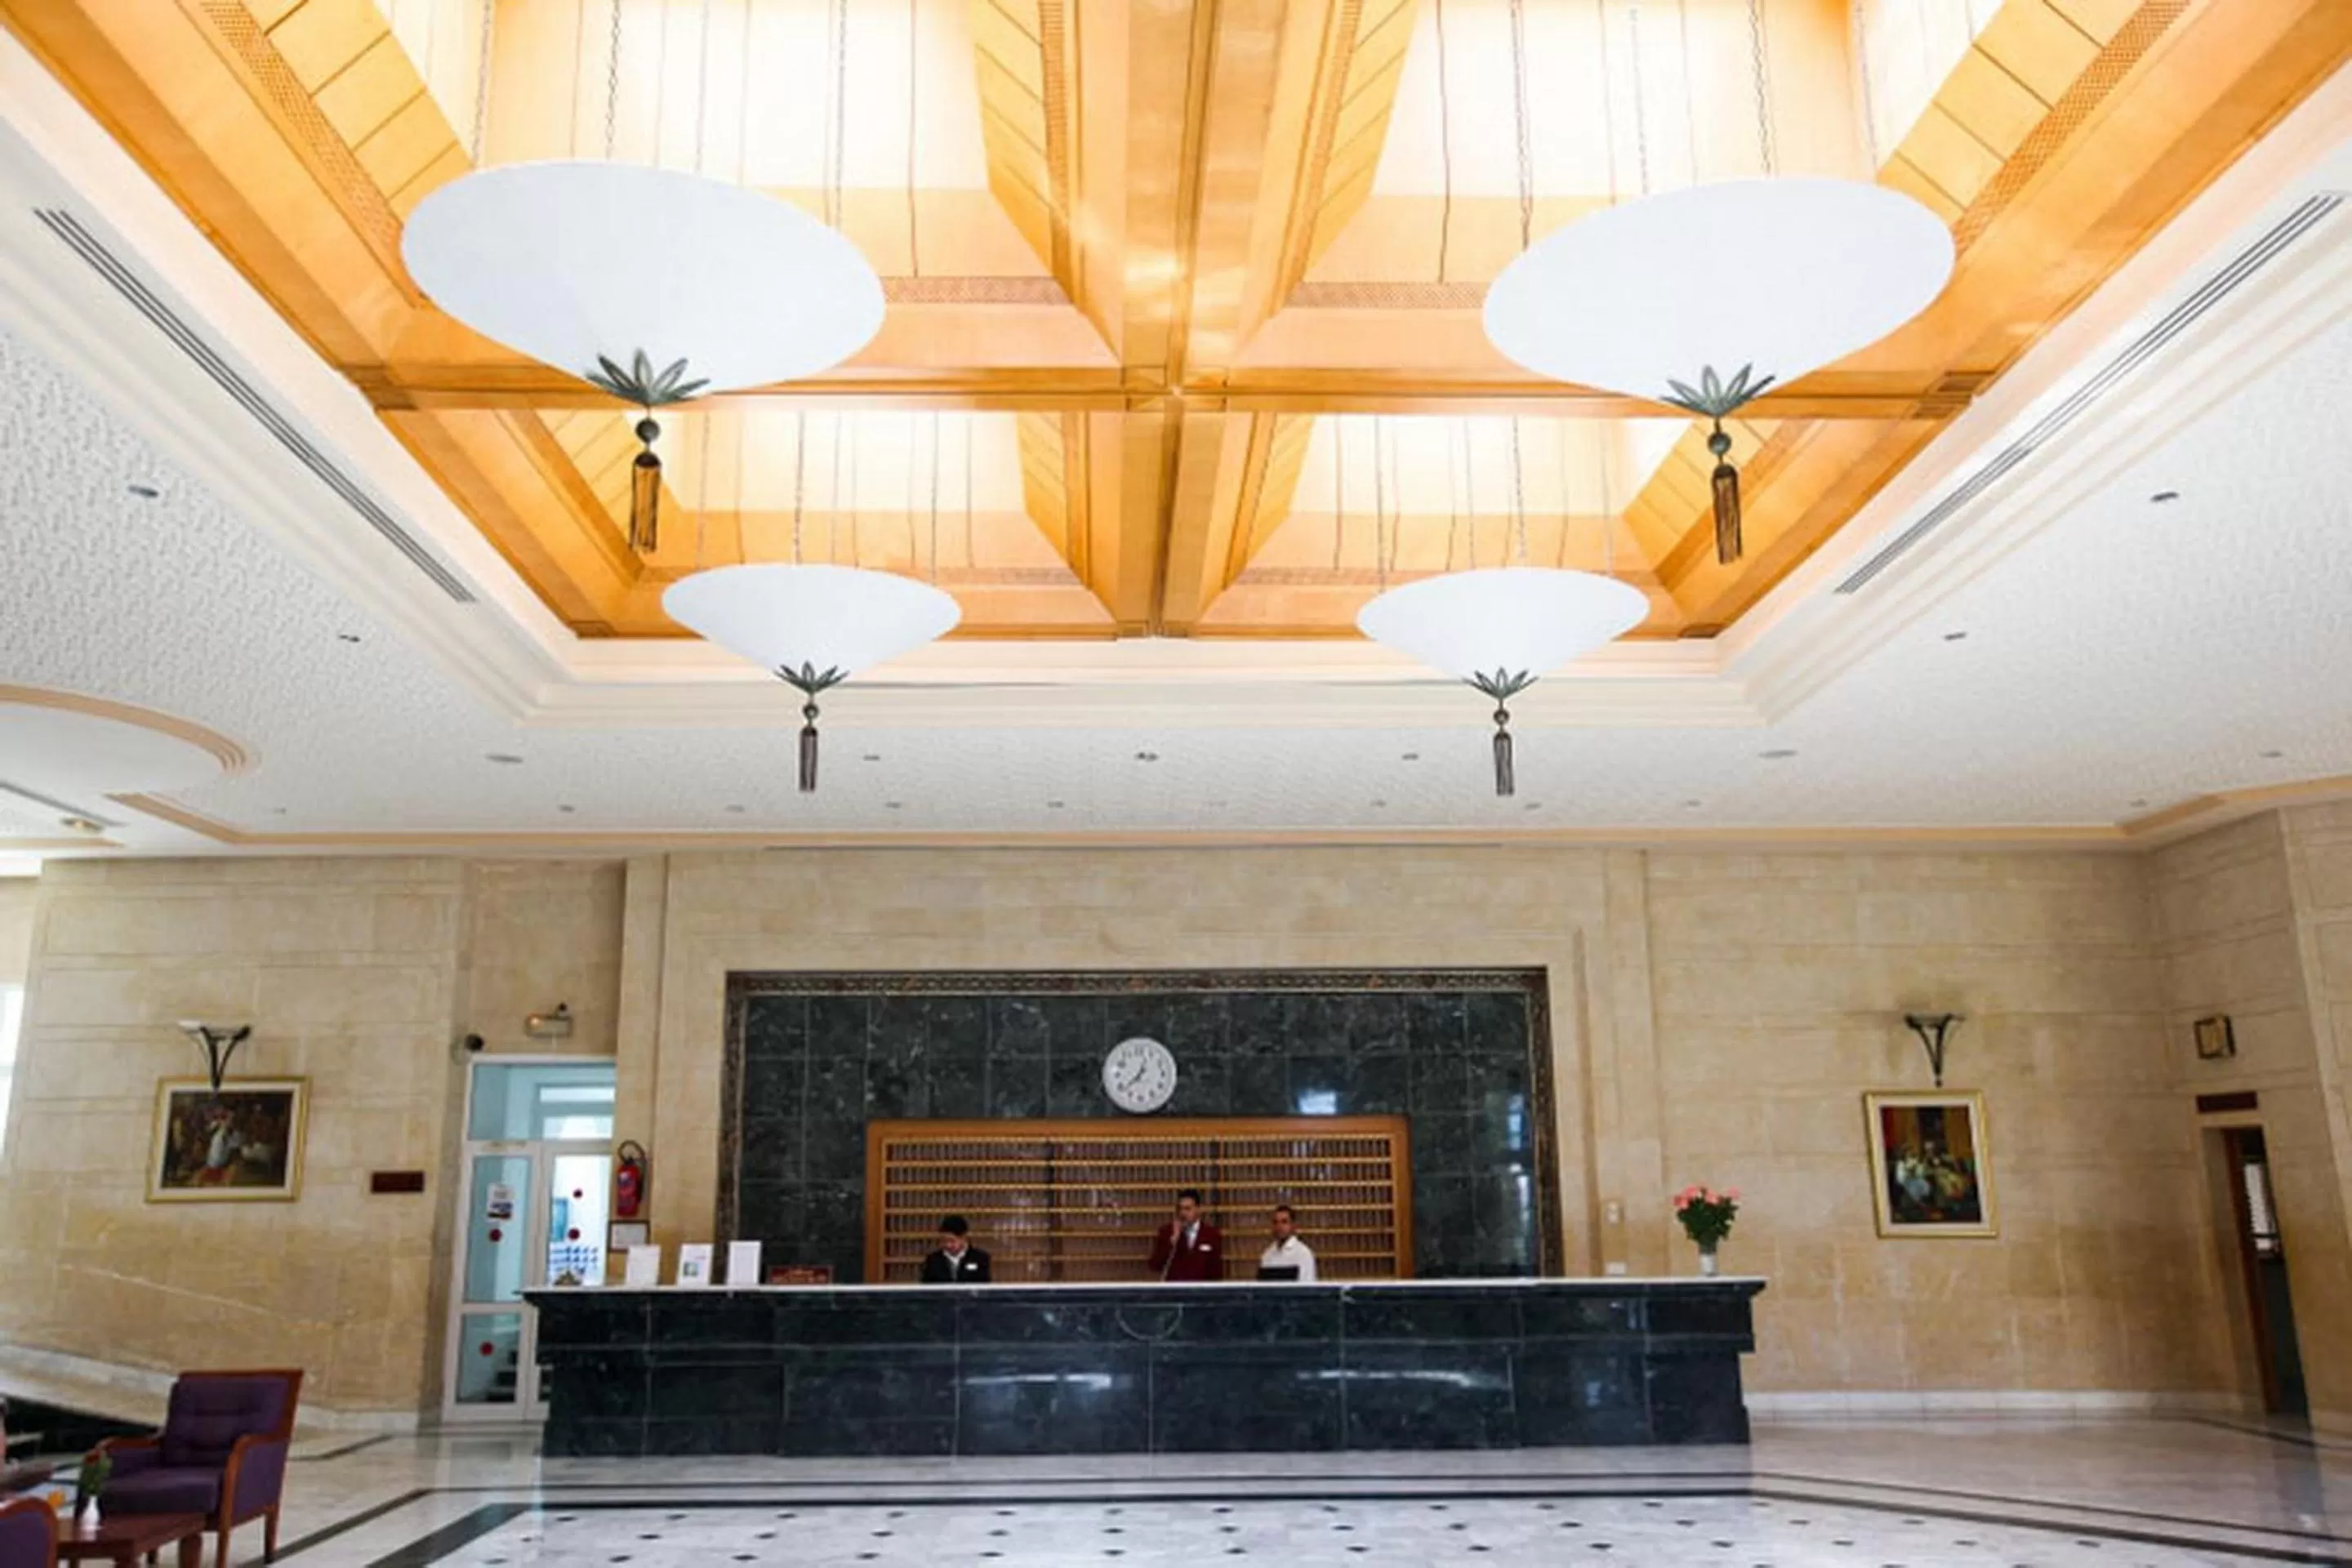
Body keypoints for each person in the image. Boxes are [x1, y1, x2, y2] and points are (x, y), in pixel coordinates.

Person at [1149, 1188, 1223, 1281]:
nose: (1183, 1213)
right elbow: (1155, 1265)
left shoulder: (1211, 1234)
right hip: (1175, 1287)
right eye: (1180, 1209)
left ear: (1198, 1209)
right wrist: (1172, 1242)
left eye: (1187, 1209)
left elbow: (1217, 1272)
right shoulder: (1167, 1232)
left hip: (1201, 1288)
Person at [920, 1215, 991, 1283]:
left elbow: (984, 1285)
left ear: (964, 1238)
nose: (948, 1245)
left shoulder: (980, 1259)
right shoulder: (933, 1260)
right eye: (944, 1241)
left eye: (952, 1241)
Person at [1256, 1204, 1317, 1281]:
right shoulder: (1268, 1254)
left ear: (1293, 1225)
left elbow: (1307, 1286)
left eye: (1284, 1222)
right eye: (1275, 1222)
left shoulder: (1303, 1254)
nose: (1279, 1227)